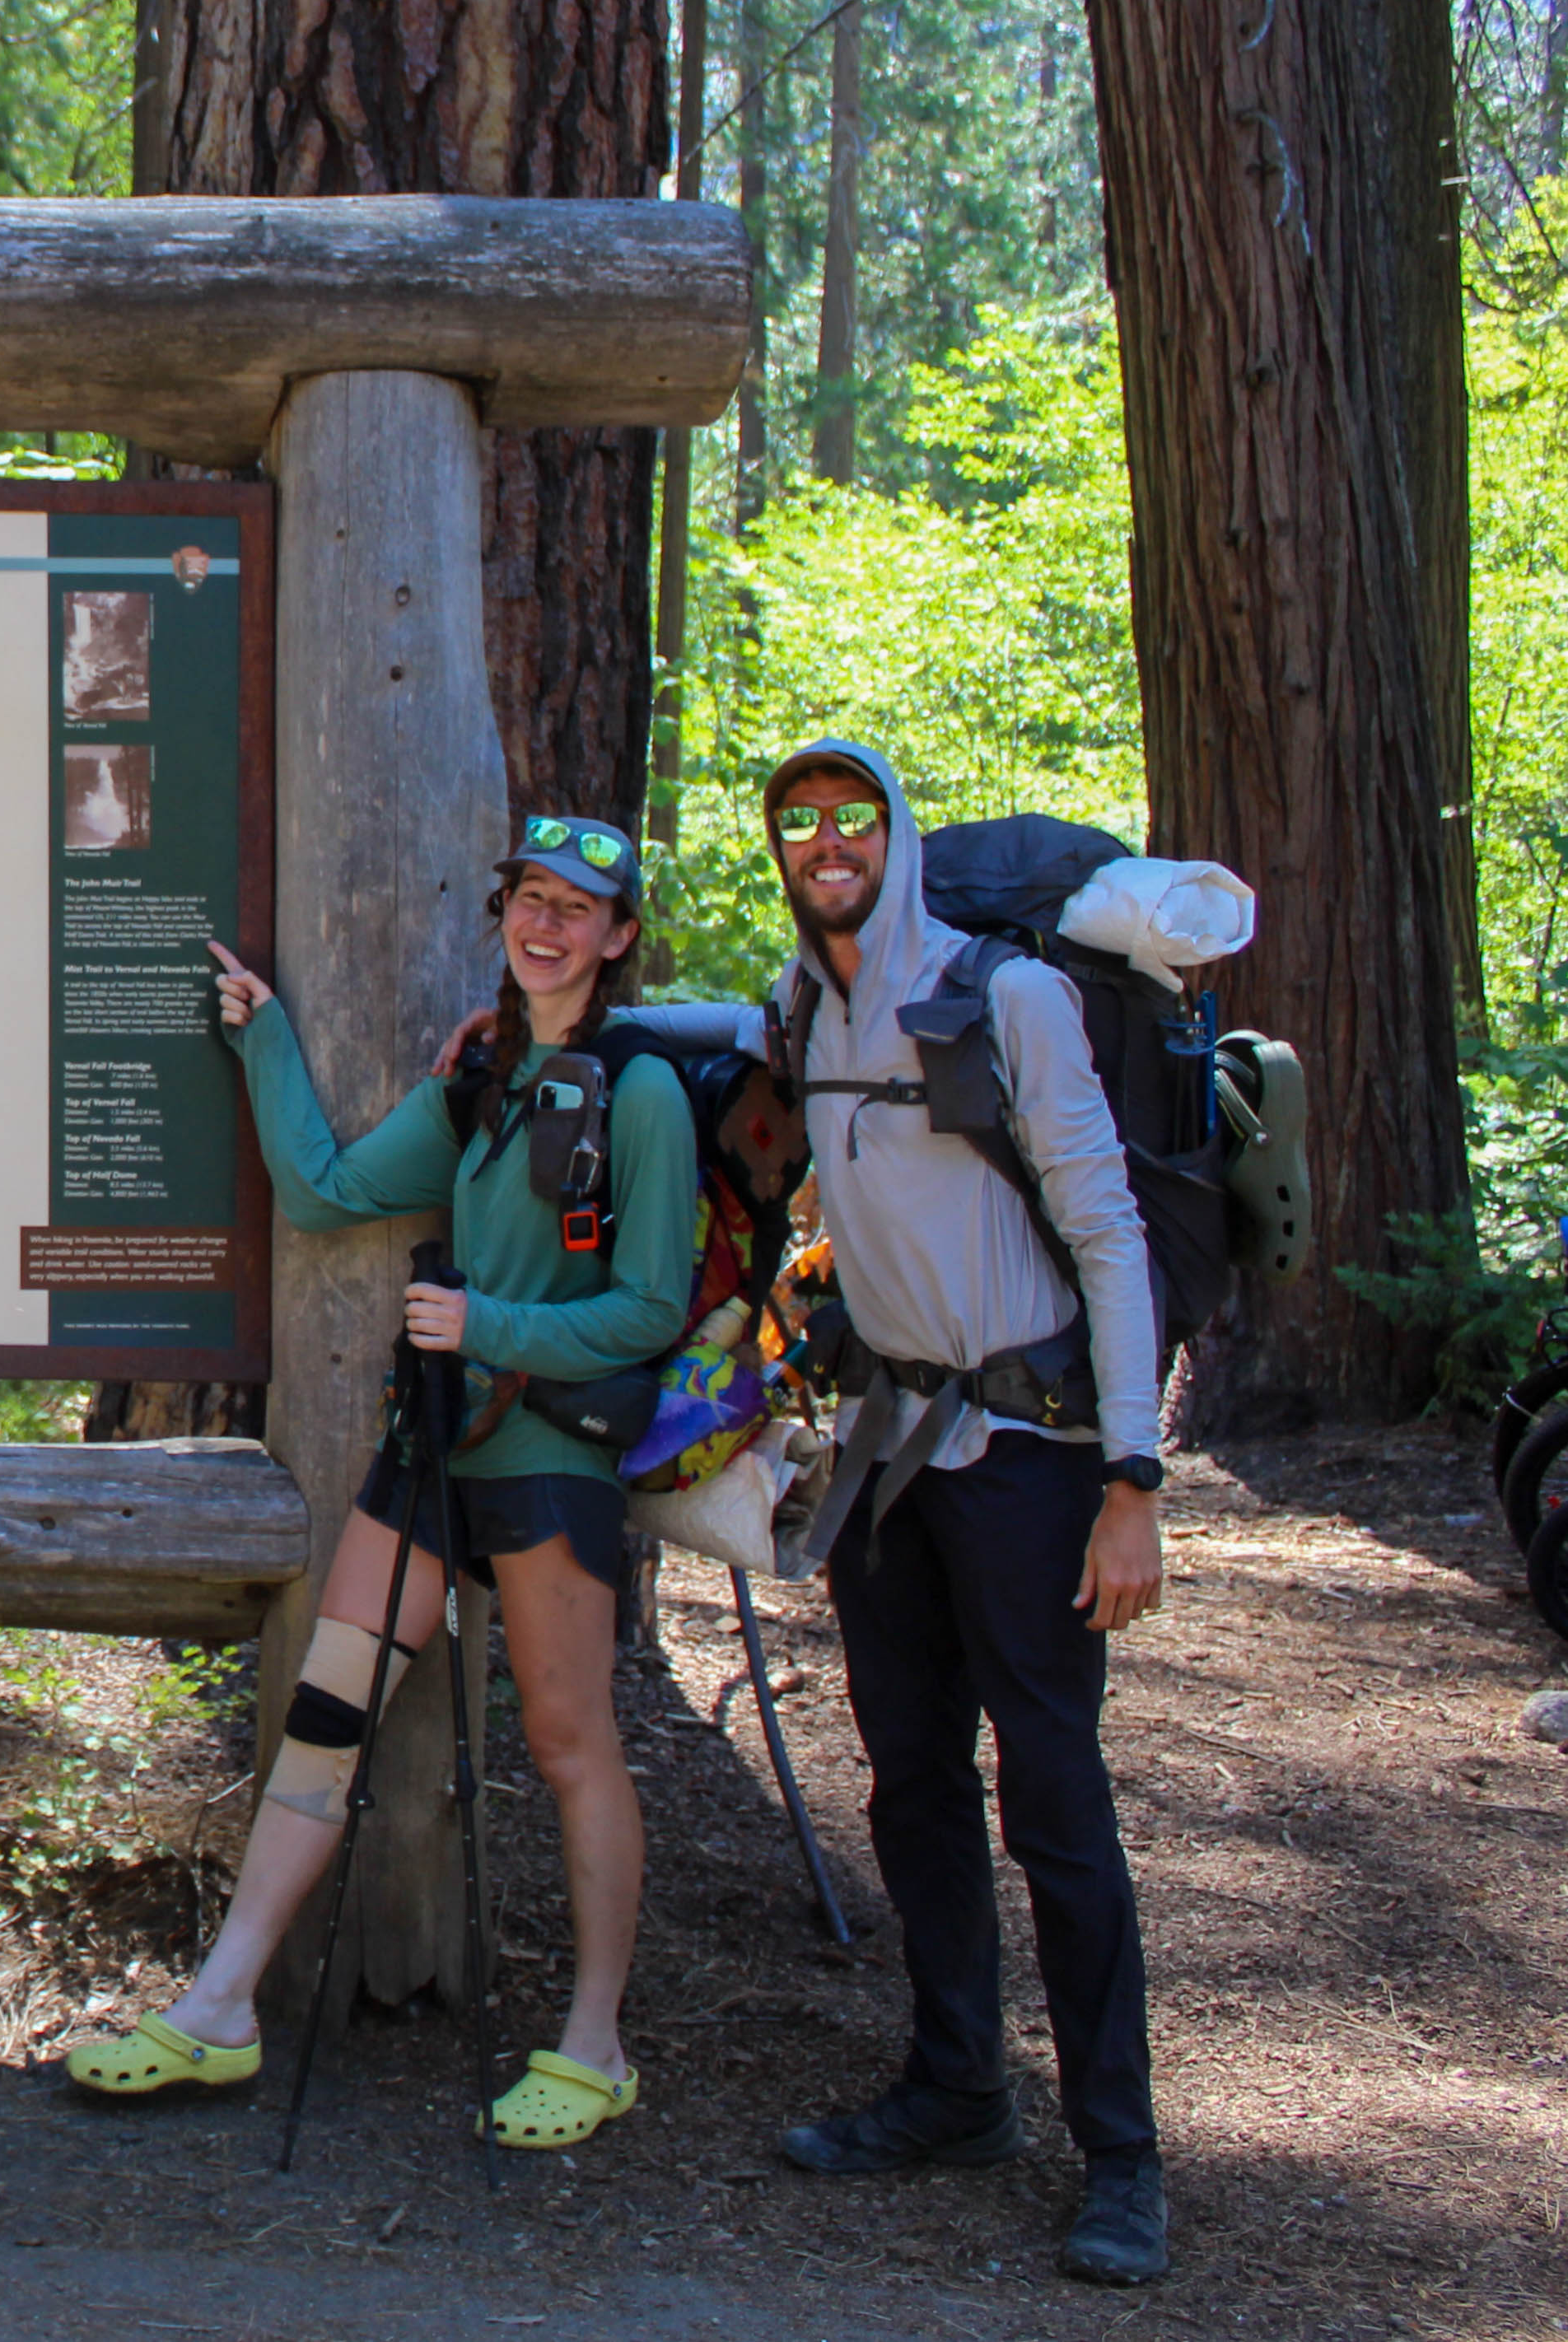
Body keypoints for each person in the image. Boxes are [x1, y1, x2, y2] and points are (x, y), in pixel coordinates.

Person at [63, 814, 696, 2151]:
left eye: (579, 908)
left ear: (620, 936)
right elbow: (332, 1189)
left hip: (547, 1464)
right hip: (433, 1452)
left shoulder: (640, 1095)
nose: (548, 924)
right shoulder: (483, 1071)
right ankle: (223, 2004)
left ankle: (594, 2045)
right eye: (530, 898)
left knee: (574, 1743)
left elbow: (651, 1307)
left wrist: (493, 1333)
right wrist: (263, 1035)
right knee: (324, 1720)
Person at [734, 741, 1170, 2287]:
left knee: (1054, 1796)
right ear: (780, 848)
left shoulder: (1010, 997)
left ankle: (1120, 2157)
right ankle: (958, 2086)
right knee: (912, 1782)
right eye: (800, 823)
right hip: (887, 1449)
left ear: (896, 835)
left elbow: (1112, 1235)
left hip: (1034, 1457)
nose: (828, 841)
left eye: (853, 818)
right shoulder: (806, 1005)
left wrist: (1135, 1480)